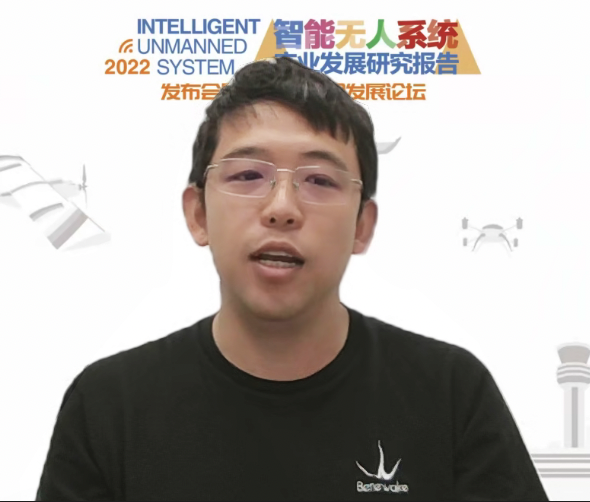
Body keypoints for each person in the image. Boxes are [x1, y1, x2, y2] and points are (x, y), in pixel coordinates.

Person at [36, 57, 549, 501]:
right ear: (198, 214)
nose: (282, 208)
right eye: (248, 175)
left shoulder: (451, 395)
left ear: (362, 226)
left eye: (319, 180)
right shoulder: (108, 406)